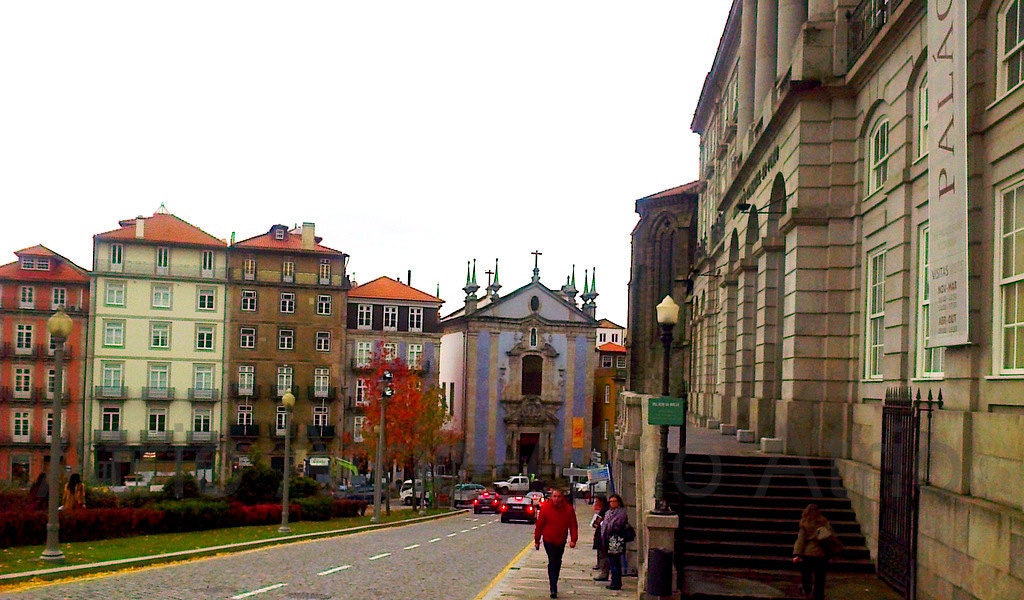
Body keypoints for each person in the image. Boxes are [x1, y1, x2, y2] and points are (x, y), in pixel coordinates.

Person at [533, 488, 579, 599]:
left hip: (561, 539)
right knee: (552, 561)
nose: (556, 499)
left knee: (557, 562)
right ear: (551, 497)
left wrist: (573, 539)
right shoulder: (545, 508)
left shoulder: (568, 509)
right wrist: (537, 541)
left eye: (559, 496)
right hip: (548, 539)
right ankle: (553, 587)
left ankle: (554, 580)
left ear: (562, 498)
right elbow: (539, 525)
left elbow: (573, 525)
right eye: (554, 496)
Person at [792, 503, 835, 600]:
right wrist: (832, 553)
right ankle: (818, 594)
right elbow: (830, 537)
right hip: (821, 554)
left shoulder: (804, 523)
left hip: (808, 554)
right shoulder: (824, 522)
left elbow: (801, 540)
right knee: (820, 576)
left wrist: (797, 554)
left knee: (806, 574)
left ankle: (808, 591)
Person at [599, 493, 630, 590]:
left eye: (614, 501)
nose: (612, 503)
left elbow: (616, 525)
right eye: (611, 501)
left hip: (616, 539)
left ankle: (616, 582)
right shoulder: (608, 512)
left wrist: (608, 525)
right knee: (612, 562)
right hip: (607, 539)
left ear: (619, 502)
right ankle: (613, 581)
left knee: (615, 562)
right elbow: (605, 524)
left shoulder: (621, 513)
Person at [590, 495, 610, 581]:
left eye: (597, 501)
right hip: (600, 534)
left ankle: (604, 573)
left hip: (603, 535)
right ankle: (600, 567)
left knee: (603, 554)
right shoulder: (604, 509)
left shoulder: (606, 510)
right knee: (601, 552)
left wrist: (597, 523)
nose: (596, 503)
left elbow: (601, 521)